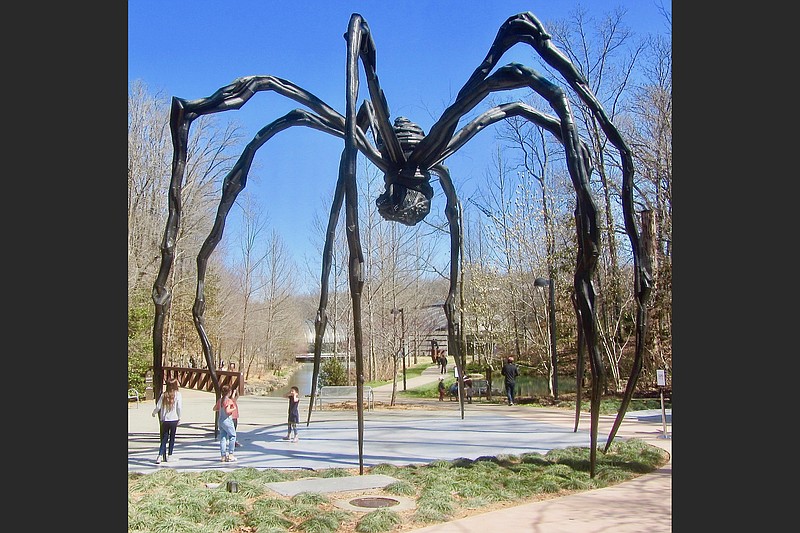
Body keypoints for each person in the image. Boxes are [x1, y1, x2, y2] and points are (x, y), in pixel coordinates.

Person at [151, 377, 182, 464]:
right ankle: (170, 455)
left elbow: (158, 407)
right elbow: (179, 407)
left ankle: (160, 455)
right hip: (174, 419)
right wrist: (179, 417)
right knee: (172, 438)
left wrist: (153, 413)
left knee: (164, 438)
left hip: (164, 419)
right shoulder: (178, 395)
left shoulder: (163, 395)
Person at [213, 384, 237, 462]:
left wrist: (220, 409)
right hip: (227, 421)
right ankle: (231, 454)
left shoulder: (220, 400)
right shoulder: (228, 401)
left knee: (223, 438)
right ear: (229, 392)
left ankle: (223, 456)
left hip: (220, 420)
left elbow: (214, 408)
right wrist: (233, 409)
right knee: (232, 436)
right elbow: (227, 411)